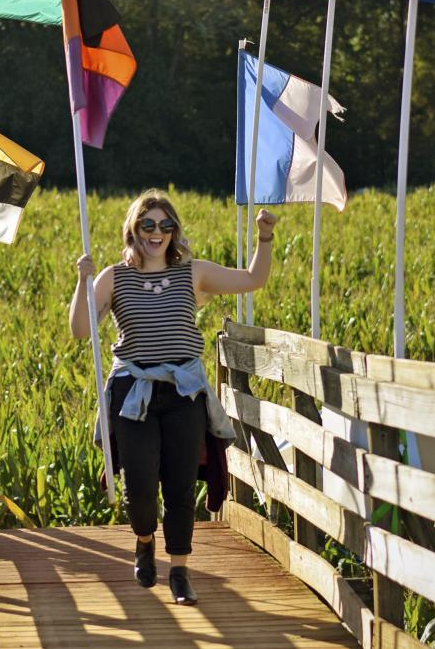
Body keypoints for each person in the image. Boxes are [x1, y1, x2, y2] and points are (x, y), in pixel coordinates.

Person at [69, 190, 278, 605]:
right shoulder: (114, 276)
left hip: (183, 391)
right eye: (148, 225)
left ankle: (180, 571)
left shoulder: (192, 273)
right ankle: (144, 539)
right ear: (134, 229)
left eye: (165, 225)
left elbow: (253, 279)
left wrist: (265, 237)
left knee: (181, 487)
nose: (157, 233)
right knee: (141, 486)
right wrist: (82, 281)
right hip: (133, 391)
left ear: (174, 231)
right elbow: (80, 330)